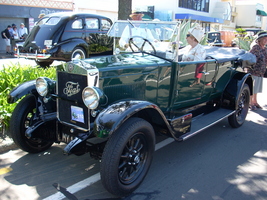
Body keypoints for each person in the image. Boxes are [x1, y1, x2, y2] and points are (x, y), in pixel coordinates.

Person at [248, 31, 267, 110]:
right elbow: (251, 58)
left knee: (257, 88)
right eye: (264, 39)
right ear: (260, 39)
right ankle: (250, 102)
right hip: (254, 71)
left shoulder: (265, 49)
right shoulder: (255, 47)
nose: (266, 41)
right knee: (252, 87)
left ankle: (255, 101)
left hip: (261, 72)